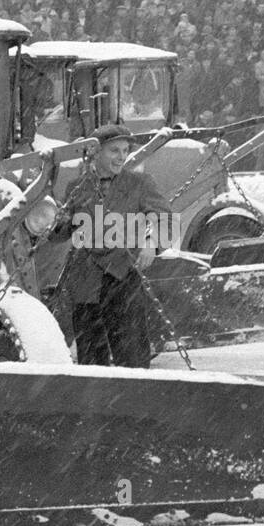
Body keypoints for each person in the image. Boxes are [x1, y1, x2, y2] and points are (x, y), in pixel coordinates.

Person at [54, 122, 173, 368]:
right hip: (86, 282)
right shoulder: (76, 187)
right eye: (114, 151)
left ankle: (134, 401)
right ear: (96, 153)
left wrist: (150, 243)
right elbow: (59, 233)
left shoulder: (140, 183)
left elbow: (165, 218)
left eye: (125, 150)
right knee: (91, 360)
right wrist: (52, 221)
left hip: (123, 278)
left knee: (132, 356)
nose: (121, 157)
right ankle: (93, 402)